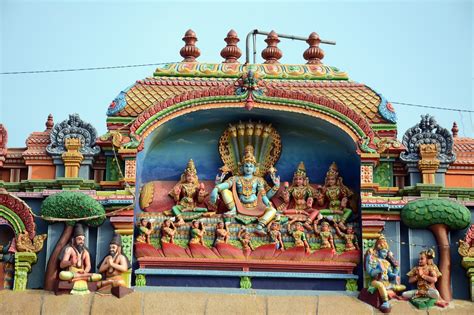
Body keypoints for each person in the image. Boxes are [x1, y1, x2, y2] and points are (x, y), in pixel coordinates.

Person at [210, 145, 280, 235]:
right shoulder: (236, 178)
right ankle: (233, 210)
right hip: (239, 206)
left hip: (255, 207)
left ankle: (259, 226)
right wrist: (216, 189)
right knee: (224, 191)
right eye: (246, 166)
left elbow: (263, 195)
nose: (248, 168)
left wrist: (276, 187)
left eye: (251, 166)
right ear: (241, 167)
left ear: (255, 168)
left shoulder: (258, 180)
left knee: (272, 210)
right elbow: (225, 185)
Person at [364, 235, 406, 312]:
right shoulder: (374, 260)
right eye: (383, 251)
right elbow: (370, 273)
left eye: (386, 252)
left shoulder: (387, 262)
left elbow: (389, 274)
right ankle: (385, 302)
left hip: (386, 282)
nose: (385, 254)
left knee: (403, 287)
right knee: (380, 285)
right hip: (375, 281)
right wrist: (379, 269)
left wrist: (395, 275)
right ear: (378, 251)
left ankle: (391, 290)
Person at [58, 223, 101, 295]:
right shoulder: (70, 249)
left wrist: (85, 271)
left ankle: (77, 278)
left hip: (82, 273)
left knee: (99, 276)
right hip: (72, 273)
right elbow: (62, 265)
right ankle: (80, 277)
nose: (82, 242)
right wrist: (70, 262)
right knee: (62, 274)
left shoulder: (85, 252)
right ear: (74, 239)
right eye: (79, 239)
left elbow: (88, 266)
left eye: (83, 240)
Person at [169, 159, 209, 226]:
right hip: (183, 205)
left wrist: (200, 195)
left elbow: (200, 201)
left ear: (195, 177)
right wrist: (176, 194)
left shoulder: (197, 187)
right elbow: (176, 200)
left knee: (205, 209)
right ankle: (181, 220)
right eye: (188, 176)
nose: (190, 177)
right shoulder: (181, 185)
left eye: (192, 176)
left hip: (192, 206)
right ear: (185, 176)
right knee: (174, 208)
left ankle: (192, 211)